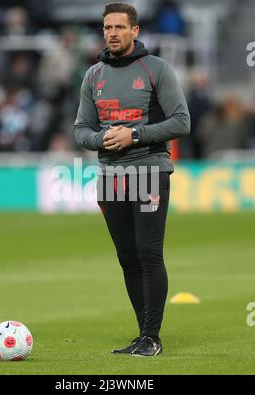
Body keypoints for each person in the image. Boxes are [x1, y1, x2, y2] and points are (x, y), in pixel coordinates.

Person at [74, 2, 190, 357]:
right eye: (107, 27)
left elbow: (181, 121)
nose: (112, 33)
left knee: (148, 253)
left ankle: (152, 337)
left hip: (149, 170)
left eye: (120, 27)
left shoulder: (156, 69)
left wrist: (134, 135)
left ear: (135, 31)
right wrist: (102, 139)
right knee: (127, 258)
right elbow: (81, 129)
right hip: (110, 176)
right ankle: (142, 335)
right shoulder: (93, 75)